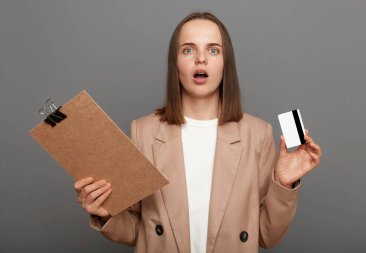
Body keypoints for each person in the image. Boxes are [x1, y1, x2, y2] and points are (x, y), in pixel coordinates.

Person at [73, 12, 322, 253]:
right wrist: (104, 213)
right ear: (176, 63)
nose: (201, 59)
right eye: (188, 49)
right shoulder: (143, 131)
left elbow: (267, 236)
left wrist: (283, 184)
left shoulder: (257, 133)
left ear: (227, 64)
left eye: (213, 50)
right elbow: (139, 231)